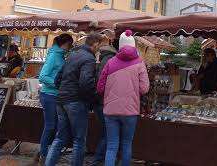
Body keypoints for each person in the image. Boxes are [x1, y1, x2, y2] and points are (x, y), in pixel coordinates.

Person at [45, 33, 103, 166]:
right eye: (99, 46)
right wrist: (92, 99)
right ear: (95, 44)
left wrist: (64, 91)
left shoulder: (72, 55)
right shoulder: (89, 59)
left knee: (60, 138)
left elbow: (57, 79)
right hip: (76, 101)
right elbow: (85, 83)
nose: (98, 49)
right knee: (79, 140)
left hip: (61, 99)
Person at [97, 30, 150, 166]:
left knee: (112, 146)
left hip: (111, 110)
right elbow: (144, 89)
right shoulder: (140, 63)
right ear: (133, 46)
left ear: (120, 46)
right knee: (126, 145)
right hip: (130, 111)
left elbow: (100, 87)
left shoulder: (110, 62)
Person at [37, 34, 74, 165]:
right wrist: (58, 84)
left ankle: (48, 153)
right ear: (65, 43)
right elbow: (43, 76)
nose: (70, 47)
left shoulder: (61, 56)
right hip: (49, 95)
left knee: (55, 126)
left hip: (55, 96)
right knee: (51, 126)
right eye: (70, 44)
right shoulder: (54, 56)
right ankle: (43, 154)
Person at [92, 36, 117, 166]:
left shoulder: (103, 59)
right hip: (102, 102)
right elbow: (102, 83)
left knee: (105, 132)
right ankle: (98, 160)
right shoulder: (110, 60)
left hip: (99, 101)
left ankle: (100, 159)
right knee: (108, 133)